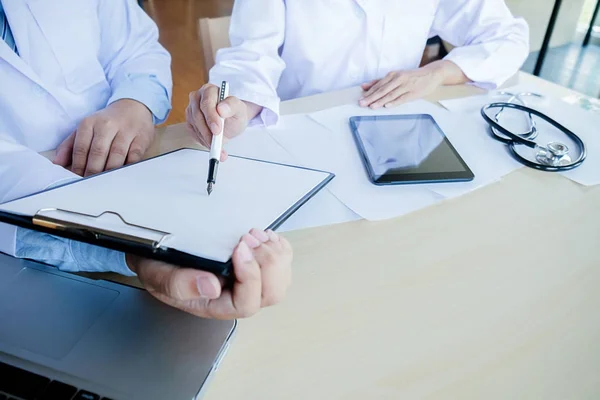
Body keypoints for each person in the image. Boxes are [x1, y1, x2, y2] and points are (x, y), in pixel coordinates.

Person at [0, 0, 292, 320]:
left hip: (141, 172)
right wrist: (134, 247)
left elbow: (137, 48)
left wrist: (134, 103)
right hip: (28, 258)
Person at [186, 0, 530, 153]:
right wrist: (238, 108)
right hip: (299, 139)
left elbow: (508, 38)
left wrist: (436, 72)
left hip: (395, 137)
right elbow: (252, 56)